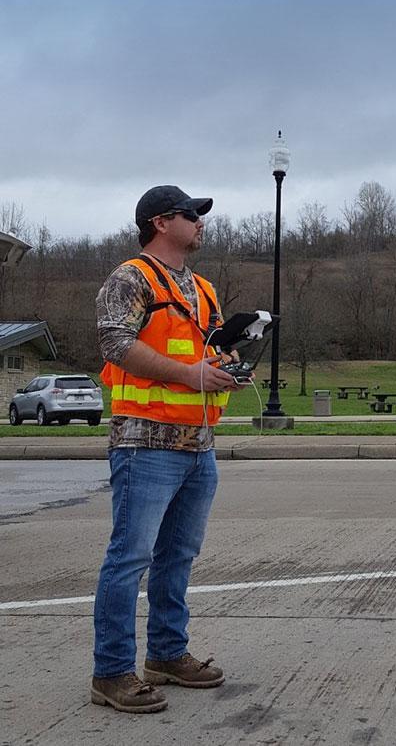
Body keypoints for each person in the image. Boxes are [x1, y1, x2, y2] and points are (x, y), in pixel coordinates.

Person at [91, 185, 243, 714]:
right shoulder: (129, 278)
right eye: (191, 214)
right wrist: (190, 373)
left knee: (178, 555)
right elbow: (114, 343)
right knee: (129, 559)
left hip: (198, 444)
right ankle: (111, 673)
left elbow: (207, 354)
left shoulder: (202, 287)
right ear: (160, 222)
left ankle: (166, 654)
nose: (201, 222)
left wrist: (224, 373)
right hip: (144, 443)